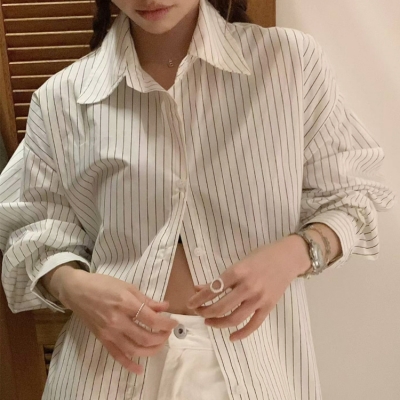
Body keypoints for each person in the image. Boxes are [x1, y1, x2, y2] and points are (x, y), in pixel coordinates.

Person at [0, 0, 395, 399]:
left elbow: (353, 195)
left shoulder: (290, 63)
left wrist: (293, 254)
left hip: (256, 365)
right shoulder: (61, 99)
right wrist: (72, 286)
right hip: (106, 370)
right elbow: (28, 229)